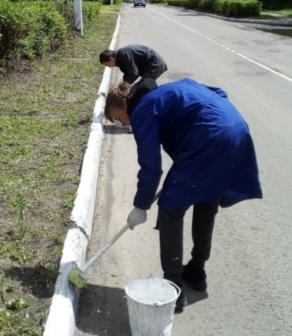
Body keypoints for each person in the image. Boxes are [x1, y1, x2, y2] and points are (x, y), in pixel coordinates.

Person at [104, 77, 263, 311]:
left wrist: (141, 206)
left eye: (119, 118)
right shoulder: (167, 91)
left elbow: (151, 167)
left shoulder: (142, 110)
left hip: (210, 137)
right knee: (206, 199)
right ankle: (197, 271)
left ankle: (173, 287)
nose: (124, 124)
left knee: (170, 208)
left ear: (125, 103)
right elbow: (219, 91)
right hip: (236, 128)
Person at [99, 44, 168, 85]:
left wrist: (125, 85)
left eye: (107, 65)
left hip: (155, 64)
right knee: (144, 85)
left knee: (143, 86)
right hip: (150, 65)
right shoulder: (119, 58)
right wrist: (123, 85)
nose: (109, 67)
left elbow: (134, 73)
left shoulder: (123, 55)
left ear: (111, 59)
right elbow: (128, 74)